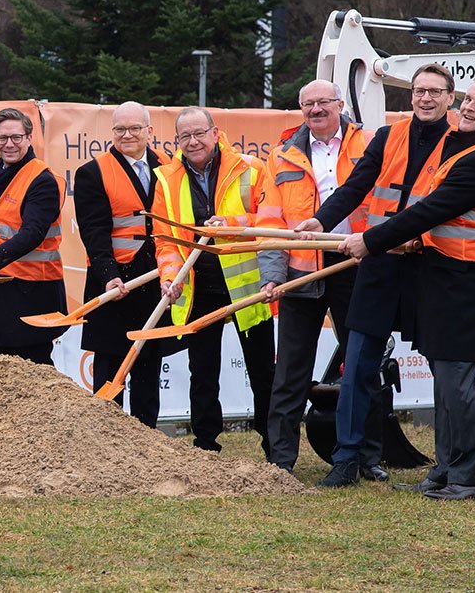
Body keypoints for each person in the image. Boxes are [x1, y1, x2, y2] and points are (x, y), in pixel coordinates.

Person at [337, 74, 475, 500]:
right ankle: (446, 468)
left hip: (468, 286)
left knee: (456, 385)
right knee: (444, 382)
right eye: (469, 99)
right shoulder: (467, 146)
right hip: (447, 280)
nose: (470, 107)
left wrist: (370, 240)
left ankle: (468, 478)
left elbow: (429, 209)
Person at [299, 64, 457, 487]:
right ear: (411, 96)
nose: (425, 98)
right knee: (358, 365)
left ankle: (447, 462)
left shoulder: (460, 143)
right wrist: (321, 220)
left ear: (449, 98)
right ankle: (347, 458)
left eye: (434, 92)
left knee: (445, 366)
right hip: (381, 264)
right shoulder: (388, 137)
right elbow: (353, 187)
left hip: (429, 266)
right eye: (419, 91)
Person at [256, 80, 369, 475]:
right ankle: (280, 460)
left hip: (354, 267)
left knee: (360, 364)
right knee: (290, 370)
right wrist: (272, 274)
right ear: (300, 109)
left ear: (340, 104)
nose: (316, 109)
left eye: (323, 102)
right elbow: (269, 221)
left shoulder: (366, 143)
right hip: (302, 273)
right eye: (308, 103)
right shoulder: (283, 155)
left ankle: (366, 456)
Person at [152, 107, 275, 456]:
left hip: (247, 288)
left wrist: (231, 222)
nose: (193, 142)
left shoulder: (250, 169)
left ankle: (275, 446)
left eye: (199, 134)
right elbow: (166, 239)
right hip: (199, 288)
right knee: (202, 372)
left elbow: (269, 220)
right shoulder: (166, 179)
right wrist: (170, 277)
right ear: (177, 141)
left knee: (263, 370)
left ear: (214, 132)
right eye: (185, 136)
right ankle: (206, 446)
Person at [72, 101, 171, 422]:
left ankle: (147, 441)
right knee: (109, 371)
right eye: (119, 129)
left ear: (149, 131)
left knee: (147, 365)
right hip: (115, 284)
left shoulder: (168, 167)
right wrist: (109, 275)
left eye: (134, 128)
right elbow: (94, 231)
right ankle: (106, 441)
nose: (127, 135)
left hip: (155, 282)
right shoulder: (92, 172)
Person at [0, 107, 66, 365]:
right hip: (10, 285)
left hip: (35, 289)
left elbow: (33, 232)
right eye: (2, 138)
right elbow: (6, 221)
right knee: (6, 364)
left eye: (16, 137)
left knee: (35, 366)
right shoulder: (2, 170)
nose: (9, 144)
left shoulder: (41, 179)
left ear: (29, 138)